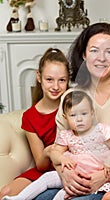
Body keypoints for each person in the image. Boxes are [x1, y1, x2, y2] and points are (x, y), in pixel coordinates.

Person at [35, 22, 110, 200]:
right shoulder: (71, 96)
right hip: (79, 178)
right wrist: (66, 175)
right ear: (84, 55)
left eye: (109, 51)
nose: (101, 58)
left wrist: (103, 177)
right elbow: (59, 148)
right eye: (94, 50)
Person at [3, 90, 110, 200]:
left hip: (95, 174)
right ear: (65, 117)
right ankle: (18, 198)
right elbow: (55, 152)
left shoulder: (102, 130)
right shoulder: (67, 135)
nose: (79, 119)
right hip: (73, 175)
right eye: (73, 115)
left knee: (63, 194)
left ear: (92, 113)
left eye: (84, 113)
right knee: (47, 179)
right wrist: (62, 159)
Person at [0, 48, 70, 199]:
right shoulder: (30, 117)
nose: (56, 86)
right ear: (39, 77)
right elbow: (41, 165)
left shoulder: (75, 106)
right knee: (5, 193)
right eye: (49, 79)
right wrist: (48, 151)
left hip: (70, 164)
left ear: (68, 80)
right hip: (45, 169)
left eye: (62, 80)